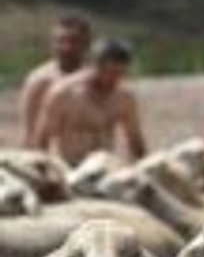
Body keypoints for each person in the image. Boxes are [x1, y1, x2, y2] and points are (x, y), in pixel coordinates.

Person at [33, 39, 147, 165]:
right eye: (111, 72)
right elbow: (42, 141)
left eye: (121, 73)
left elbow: (135, 140)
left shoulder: (123, 98)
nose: (115, 79)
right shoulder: (64, 94)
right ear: (95, 65)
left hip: (105, 168)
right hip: (70, 168)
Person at [19, 15, 92, 146]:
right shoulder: (40, 81)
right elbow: (29, 131)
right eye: (60, 41)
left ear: (86, 44)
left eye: (73, 41)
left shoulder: (97, 79)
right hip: (52, 160)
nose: (66, 47)